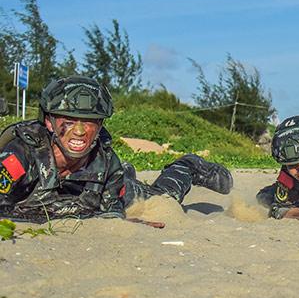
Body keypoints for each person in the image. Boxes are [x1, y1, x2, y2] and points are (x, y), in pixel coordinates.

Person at [0, 75, 232, 223]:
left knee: (164, 199)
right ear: (49, 122)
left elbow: (111, 212)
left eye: (90, 121)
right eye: (68, 120)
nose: (79, 131)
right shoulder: (21, 156)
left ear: (100, 125)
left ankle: (187, 166)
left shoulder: (106, 163)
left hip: (108, 185)